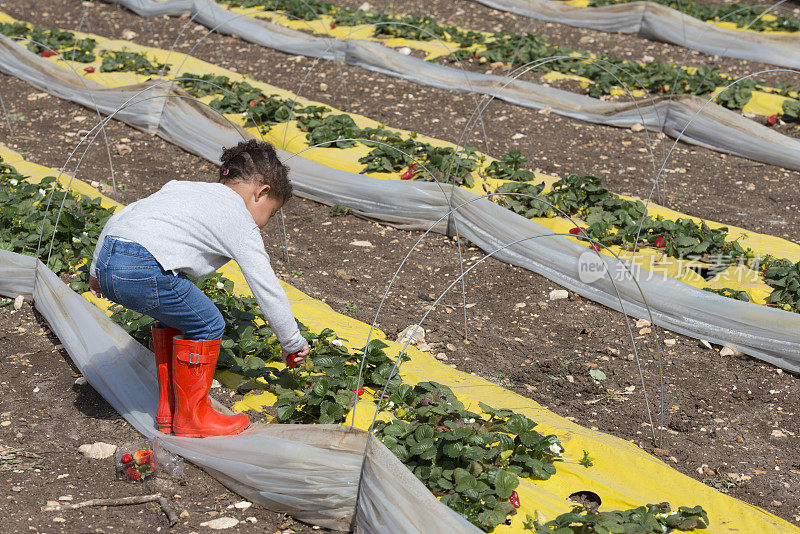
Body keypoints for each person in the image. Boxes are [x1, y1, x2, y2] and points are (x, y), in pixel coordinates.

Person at [88, 139, 310, 438]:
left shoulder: (182, 187)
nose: (265, 223)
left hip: (109, 259)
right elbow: (266, 286)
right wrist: (292, 341)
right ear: (262, 192)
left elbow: (122, 216)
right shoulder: (238, 218)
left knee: (178, 317)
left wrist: (95, 271)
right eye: (271, 213)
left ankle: (169, 411)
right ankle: (193, 418)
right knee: (207, 323)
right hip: (142, 266)